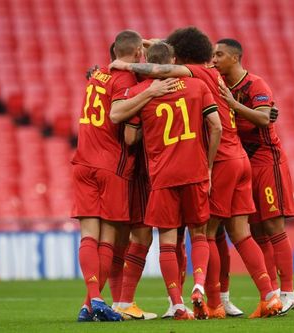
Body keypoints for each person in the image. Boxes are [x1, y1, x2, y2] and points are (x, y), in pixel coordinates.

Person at [110, 27, 283, 319]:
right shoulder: (213, 76)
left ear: (180, 60)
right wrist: (155, 44)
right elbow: (213, 121)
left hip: (209, 164)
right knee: (238, 233)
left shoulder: (191, 76)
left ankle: (209, 301)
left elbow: (156, 75)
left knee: (203, 234)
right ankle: (270, 295)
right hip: (239, 157)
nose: (215, 59)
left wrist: (126, 65)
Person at [110, 41, 223, 320]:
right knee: (199, 235)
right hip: (195, 171)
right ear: (172, 60)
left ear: (148, 61)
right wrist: (208, 166)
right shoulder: (197, 85)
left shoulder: (140, 92)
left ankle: (178, 304)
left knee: (168, 243)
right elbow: (217, 126)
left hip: (162, 176)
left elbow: (129, 137)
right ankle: (199, 287)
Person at [71, 30, 176, 322]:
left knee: (88, 238)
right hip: (111, 165)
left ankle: (91, 302)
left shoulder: (98, 76)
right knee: (109, 239)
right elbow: (125, 127)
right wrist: (151, 92)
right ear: (139, 55)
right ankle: (100, 302)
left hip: (82, 162)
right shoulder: (128, 81)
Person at [213, 38, 294, 315]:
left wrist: (232, 105)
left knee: (274, 226)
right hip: (242, 163)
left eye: (219, 55)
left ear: (235, 58)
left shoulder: (255, 85)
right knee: (257, 230)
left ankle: (288, 292)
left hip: (266, 160)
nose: (214, 59)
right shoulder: (219, 83)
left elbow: (264, 118)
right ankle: (271, 294)